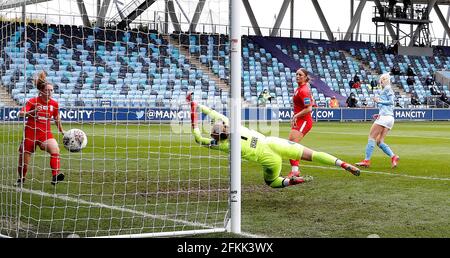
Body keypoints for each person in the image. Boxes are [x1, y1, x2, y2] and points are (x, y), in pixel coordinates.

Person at [186, 92, 360, 189]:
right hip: (272, 142)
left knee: (271, 181)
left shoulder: (221, 145)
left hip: (268, 159)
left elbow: (198, 138)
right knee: (312, 154)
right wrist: (195, 105)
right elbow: (213, 113)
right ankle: (342, 164)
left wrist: (193, 118)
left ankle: (288, 181)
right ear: (224, 127)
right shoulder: (231, 124)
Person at [15, 71, 66, 186]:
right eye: (47, 90)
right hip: (30, 134)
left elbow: (57, 118)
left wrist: (62, 131)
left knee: (55, 150)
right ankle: (21, 179)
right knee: (24, 162)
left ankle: (55, 176)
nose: (50, 92)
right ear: (41, 91)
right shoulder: (33, 101)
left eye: (51, 90)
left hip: (45, 134)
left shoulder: (54, 104)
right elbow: (20, 114)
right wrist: (32, 112)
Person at [355, 73, 400, 168]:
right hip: (389, 118)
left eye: (381, 80)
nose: (380, 82)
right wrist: (379, 113)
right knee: (379, 141)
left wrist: (378, 101)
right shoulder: (387, 89)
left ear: (384, 80)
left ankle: (366, 160)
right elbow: (388, 106)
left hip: (385, 118)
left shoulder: (387, 88)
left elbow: (391, 102)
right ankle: (393, 156)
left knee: (371, 137)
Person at [288, 68, 314, 177]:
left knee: (291, 146)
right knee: (290, 146)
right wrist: (295, 117)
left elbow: (309, 109)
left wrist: (296, 116)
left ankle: (295, 171)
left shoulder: (304, 90)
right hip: (300, 120)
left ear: (305, 77)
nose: (297, 76)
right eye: (296, 74)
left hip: (304, 121)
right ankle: (295, 171)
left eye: (300, 74)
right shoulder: (299, 89)